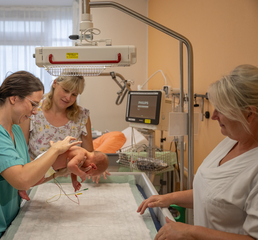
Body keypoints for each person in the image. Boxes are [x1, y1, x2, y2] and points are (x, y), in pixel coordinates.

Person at [0, 71, 82, 240]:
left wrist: (60, 172)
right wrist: (54, 150)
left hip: (4, 224)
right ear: (14, 98)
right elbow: (22, 179)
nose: (35, 112)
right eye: (33, 104)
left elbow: (29, 177)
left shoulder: (15, 130)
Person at [137, 64, 258, 240]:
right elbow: (210, 194)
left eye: (221, 110)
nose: (214, 116)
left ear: (249, 114)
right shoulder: (230, 141)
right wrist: (168, 198)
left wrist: (190, 231)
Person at [20, 75, 110, 183]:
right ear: (55, 83)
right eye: (66, 90)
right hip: (36, 179)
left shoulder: (82, 116)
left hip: (67, 183)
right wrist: (41, 173)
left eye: (74, 94)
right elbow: (22, 153)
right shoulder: (33, 111)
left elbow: (88, 155)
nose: (68, 98)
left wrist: (96, 168)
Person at [18, 147, 109, 200]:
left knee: (37, 178)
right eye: (90, 174)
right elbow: (70, 166)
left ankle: (23, 187)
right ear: (93, 166)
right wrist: (82, 174)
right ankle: (22, 188)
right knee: (36, 180)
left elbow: (74, 168)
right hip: (47, 164)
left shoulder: (81, 153)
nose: (87, 174)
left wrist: (74, 180)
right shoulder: (81, 154)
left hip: (48, 162)